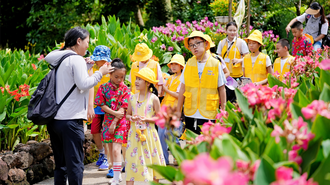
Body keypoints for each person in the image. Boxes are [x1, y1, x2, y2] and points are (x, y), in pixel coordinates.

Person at [44, 27, 113, 185]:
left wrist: (84, 65)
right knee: (75, 165)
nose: (88, 46)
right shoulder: (75, 59)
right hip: (71, 121)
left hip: (55, 120)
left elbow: (48, 56)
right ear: (78, 41)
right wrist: (100, 72)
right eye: (87, 42)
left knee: (61, 165)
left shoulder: (61, 58)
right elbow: (83, 84)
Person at [176, 31, 227, 135]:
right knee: (190, 142)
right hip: (190, 111)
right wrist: (178, 110)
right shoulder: (188, 64)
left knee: (207, 143)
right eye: (191, 45)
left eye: (197, 43)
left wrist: (223, 110)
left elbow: (221, 88)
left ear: (206, 43)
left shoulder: (215, 64)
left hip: (209, 112)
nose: (194, 47)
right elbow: (182, 88)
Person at [125, 67, 166, 184]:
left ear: (148, 83)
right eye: (136, 79)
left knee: (152, 162)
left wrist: (146, 119)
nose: (136, 82)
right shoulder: (132, 98)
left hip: (149, 136)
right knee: (132, 161)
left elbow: (159, 118)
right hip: (134, 135)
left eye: (140, 79)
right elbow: (127, 115)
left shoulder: (154, 99)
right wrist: (132, 118)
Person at [94, 58, 130, 185]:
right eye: (116, 77)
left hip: (120, 122)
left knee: (116, 149)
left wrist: (115, 121)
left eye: (122, 77)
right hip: (107, 122)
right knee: (110, 149)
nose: (119, 80)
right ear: (110, 74)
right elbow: (100, 104)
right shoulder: (103, 88)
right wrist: (114, 114)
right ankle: (115, 173)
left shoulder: (125, 88)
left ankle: (116, 177)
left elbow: (123, 108)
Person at [87, 45, 112, 172]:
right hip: (96, 107)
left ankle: (108, 158)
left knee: (107, 133)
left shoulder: (112, 69)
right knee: (95, 131)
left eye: (98, 59)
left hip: (109, 108)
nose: (96, 61)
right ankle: (102, 153)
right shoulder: (93, 68)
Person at [158, 54, 185, 165]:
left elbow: (179, 95)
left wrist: (165, 89)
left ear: (181, 66)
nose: (173, 66)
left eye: (176, 64)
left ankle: (177, 156)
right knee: (160, 134)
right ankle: (164, 159)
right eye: (172, 64)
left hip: (174, 109)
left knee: (170, 135)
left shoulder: (182, 79)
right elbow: (162, 93)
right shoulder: (170, 78)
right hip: (164, 108)